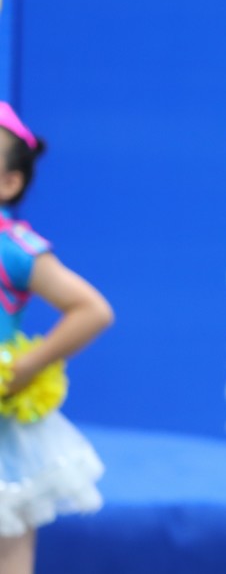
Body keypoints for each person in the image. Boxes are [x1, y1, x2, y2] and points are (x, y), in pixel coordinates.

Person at [0, 102, 113, 574]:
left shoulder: (14, 248)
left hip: (4, 436)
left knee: (9, 544)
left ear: (9, 183)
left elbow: (92, 310)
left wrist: (24, 368)